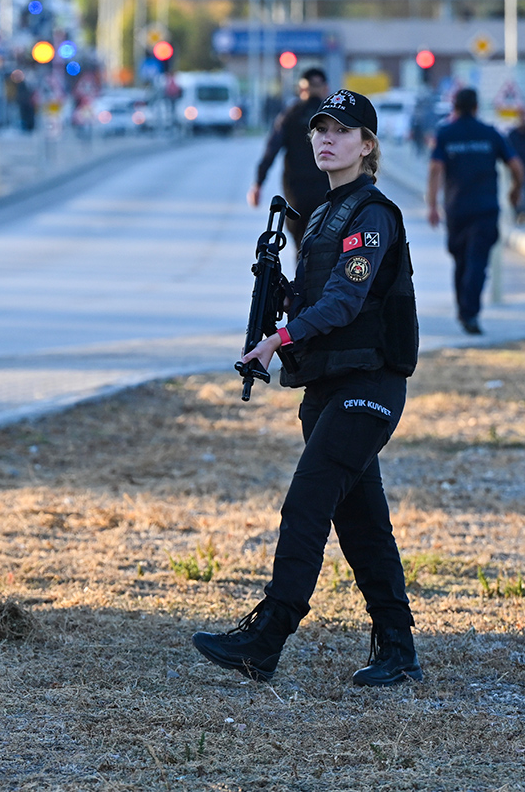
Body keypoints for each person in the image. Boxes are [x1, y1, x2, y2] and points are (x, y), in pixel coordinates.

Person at [192, 89, 423, 687]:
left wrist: (278, 338)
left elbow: (346, 302)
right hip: (325, 387)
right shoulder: (322, 214)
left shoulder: (372, 214)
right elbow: (320, 297)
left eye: (341, 131)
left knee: (307, 506)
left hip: (367, 385)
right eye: (320, 129)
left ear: (367, 146)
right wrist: (279, 292)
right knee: (363, 523)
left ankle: (268, 636)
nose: (326, 139)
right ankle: (397, 649)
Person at [426, 87, 524, 335]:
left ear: (455, 108)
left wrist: (432, 206)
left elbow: (435, 170)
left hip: (457, 209)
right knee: (477, 262)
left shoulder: (446, 133)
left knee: (461, 261)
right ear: (477, 107)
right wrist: (516, 190)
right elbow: (517, 167)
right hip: (486, 208)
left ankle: (465, 309)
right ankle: (469, 312)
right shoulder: (490, 133)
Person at [248, 67, 332, 246]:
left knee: (301, 242)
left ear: (301, 89)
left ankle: (302, 272)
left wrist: (258, 183)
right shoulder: (333, 118)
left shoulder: (290, 115)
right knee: (327, 242)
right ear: (326, 89)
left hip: (296, 191)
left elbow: (271, 150)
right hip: (328, 189)